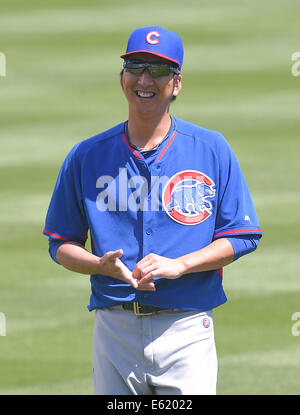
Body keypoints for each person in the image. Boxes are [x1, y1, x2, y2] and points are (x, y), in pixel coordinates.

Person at [43, 25, 262, 395]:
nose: (145, 79)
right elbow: (60, 242)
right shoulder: (87, 155)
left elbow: (242, 235)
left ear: (176, 83)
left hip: (186, 329)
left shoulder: (211, 149)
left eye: (158, 70)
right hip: (114, 328)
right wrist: (98, 265)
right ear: (122, 77)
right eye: (136, 66)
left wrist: (182, 264)